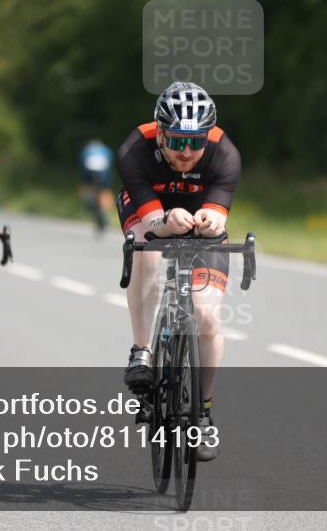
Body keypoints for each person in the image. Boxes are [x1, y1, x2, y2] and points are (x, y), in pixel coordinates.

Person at [116, 81, 241, 462]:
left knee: (206, 316)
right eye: (176, 142)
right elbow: (152, 220)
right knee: (147, 247)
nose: (187, 152)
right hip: (150, 210)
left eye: (195, 142)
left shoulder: (224, 153)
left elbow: (218, 218)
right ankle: (143, 349)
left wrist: (209, 221)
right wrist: (166, 220)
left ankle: (202, 412)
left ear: (208, 136)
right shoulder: (135, 149)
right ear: (161, 136)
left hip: (197, 212)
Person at [79, 139, 115, 233]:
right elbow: (110, 163)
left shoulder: (85, 150)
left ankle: (89, 201)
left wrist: (85, 183)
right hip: (104, 170)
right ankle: (105, 211)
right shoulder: (106, 150)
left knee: (87, 186)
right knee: (105, 190)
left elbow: (82, 166)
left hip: (89, 170)